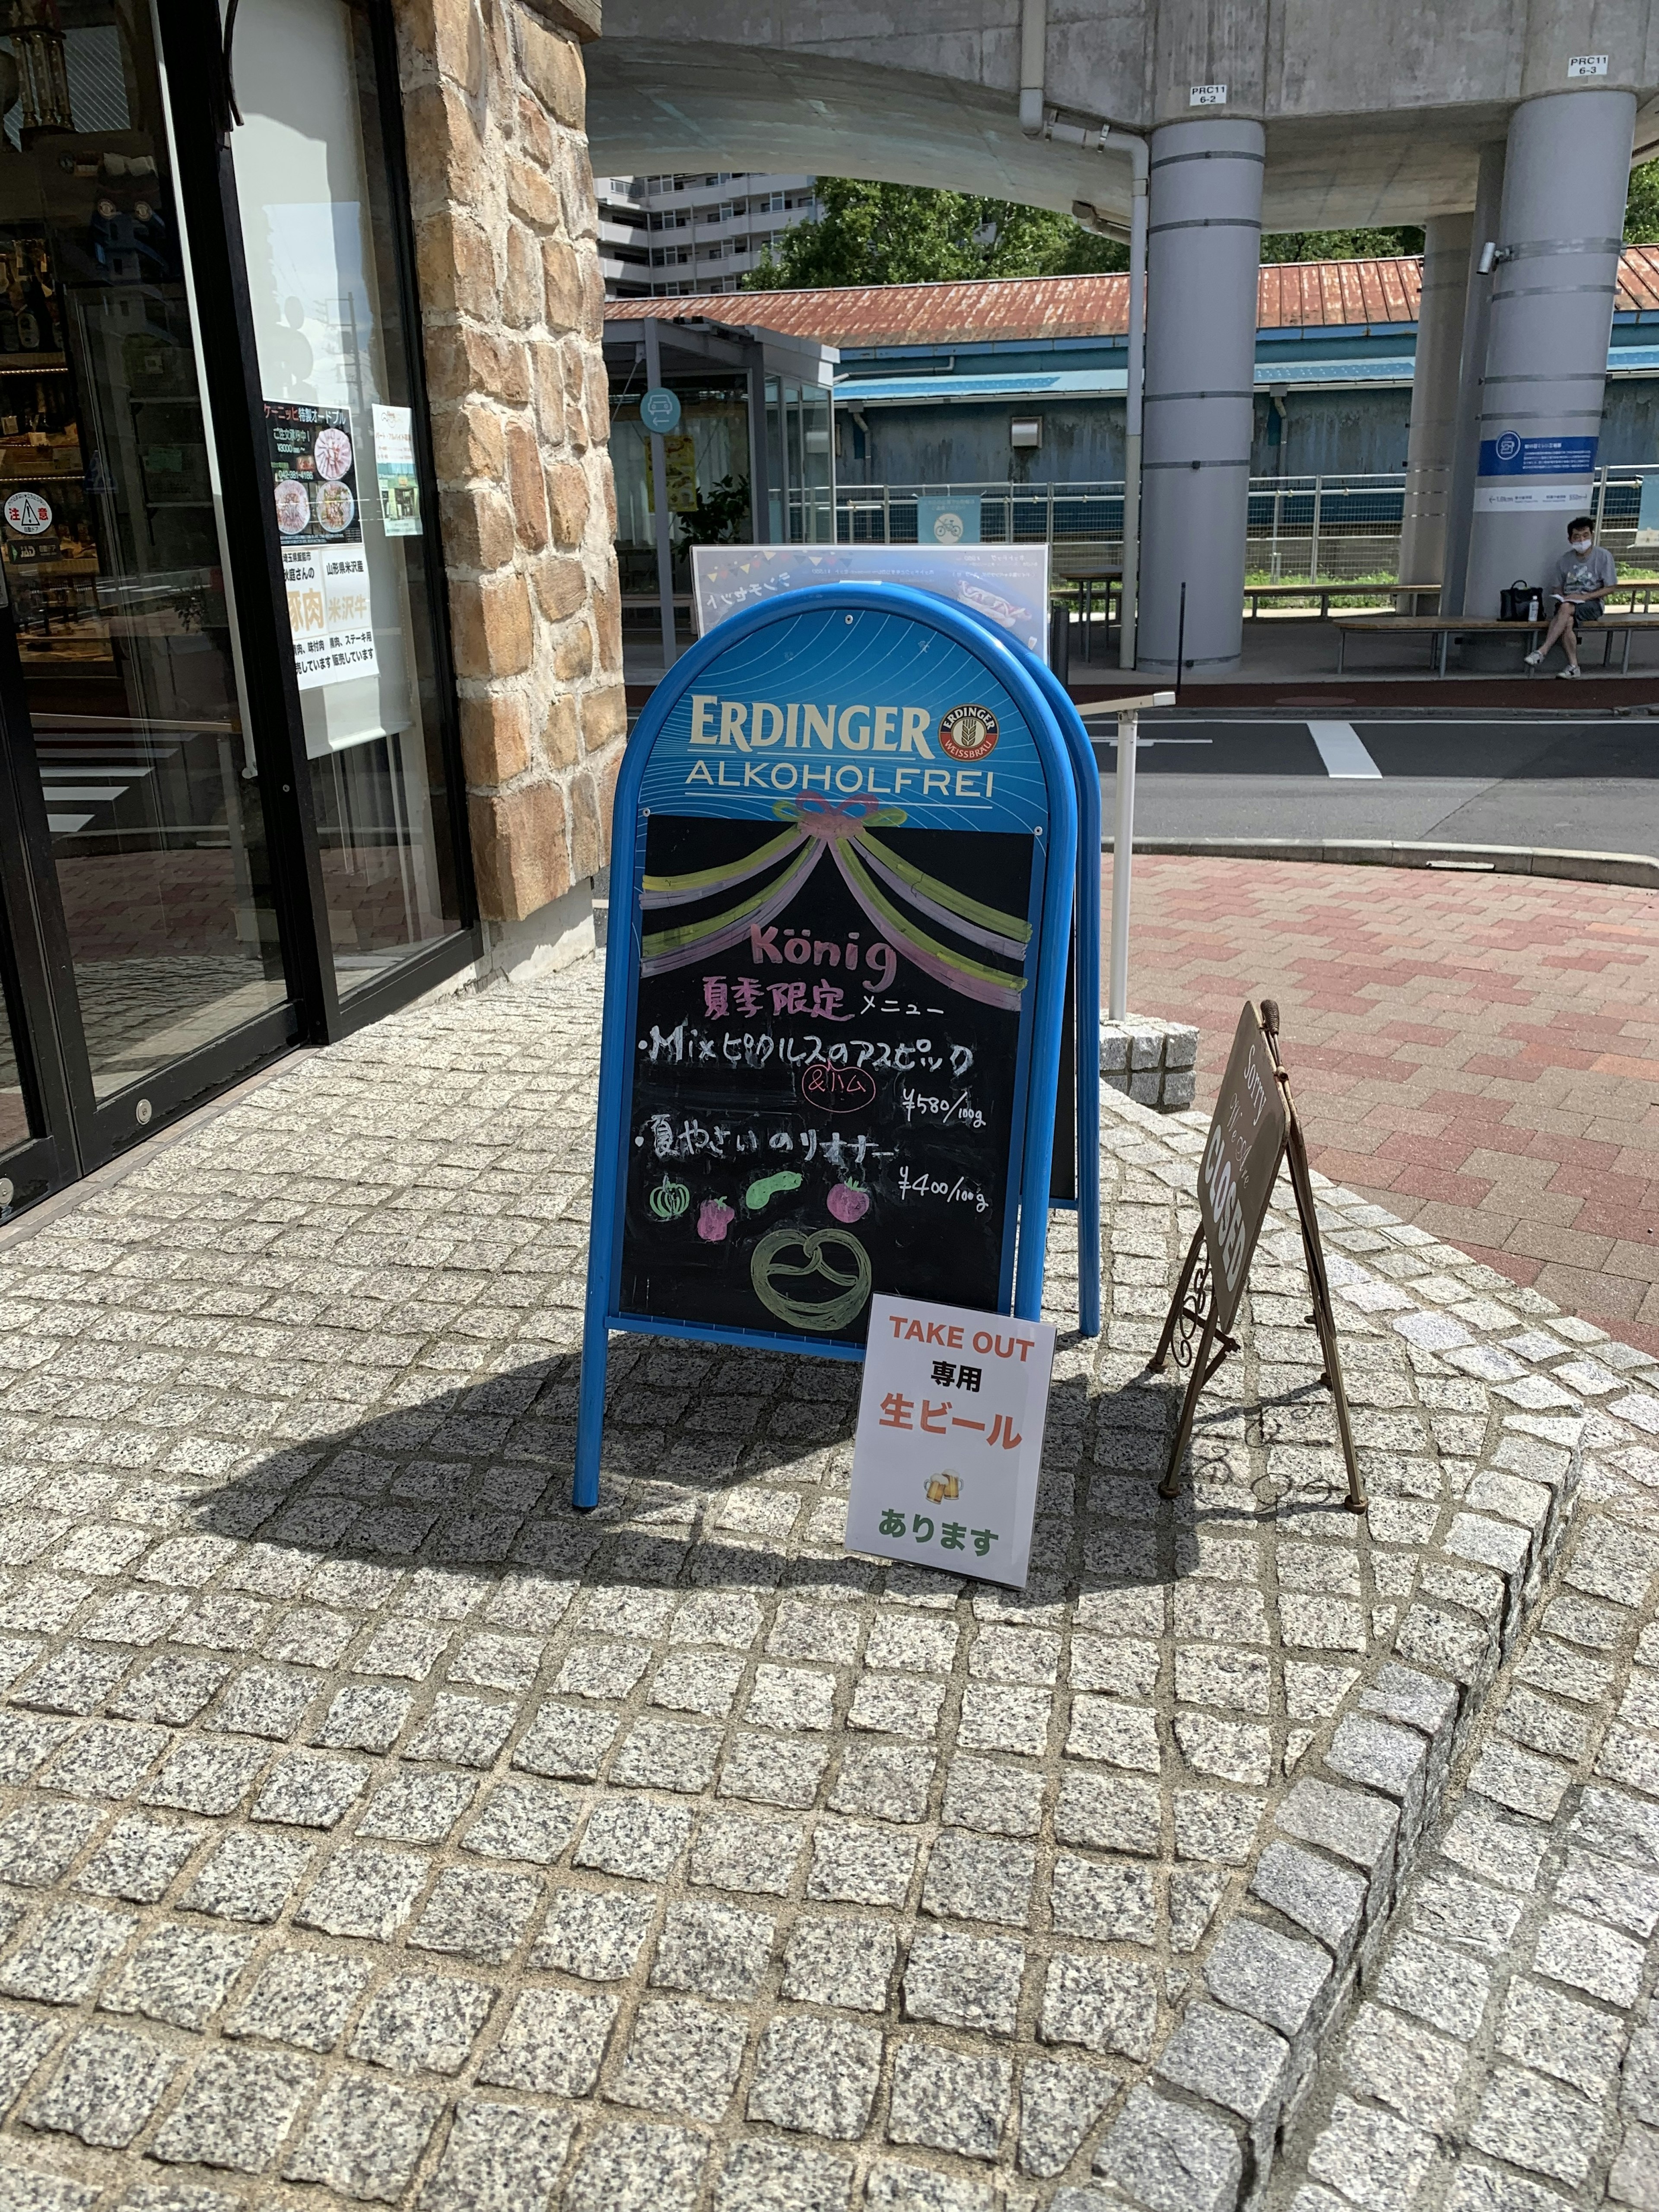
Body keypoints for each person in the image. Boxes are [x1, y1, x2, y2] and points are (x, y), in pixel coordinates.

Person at [1525, 517, 1617, 678]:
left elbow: (1611, 588)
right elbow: (1557, 587)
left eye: (1585, 535)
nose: (1582, 540)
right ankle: (1574, 667)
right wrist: (1563, 596)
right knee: (1567, 619)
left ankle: (1543, 651)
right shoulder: (1564, 560)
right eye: (1577, 537)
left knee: (1566, 609)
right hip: (1567, 603)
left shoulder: (1604, 557)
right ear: (1570, 539)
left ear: (1592, 536)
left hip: (1592, 603)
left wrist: (1586, 596)